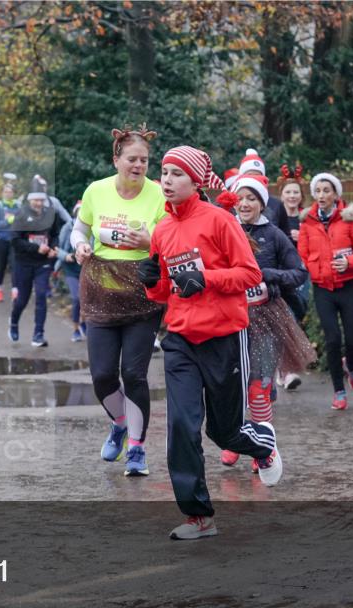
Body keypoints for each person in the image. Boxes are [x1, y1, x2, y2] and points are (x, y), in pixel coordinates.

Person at [138, 145, 282, 540]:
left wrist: (209, 279)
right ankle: (198, 516)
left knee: (225, 432)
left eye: (176, 174)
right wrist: (152, 281)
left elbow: (250, 275)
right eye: (164, 172)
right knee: (182, 426)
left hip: (224, 338)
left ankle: (263, 443)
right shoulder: (162, 229)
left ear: (196, 181)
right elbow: (165, 292)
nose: (166, 180)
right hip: (181, 339)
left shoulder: (220, 221)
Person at [71, 124, 167, 477]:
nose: (138, 165)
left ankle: (138, 449)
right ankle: (121, 422)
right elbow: (80, 228)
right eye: (132, 159)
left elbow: (171, 236)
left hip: (143, 294)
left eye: (144, 160)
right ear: (116, 160)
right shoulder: (96, 191)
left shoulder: (158, 194)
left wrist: (149, 239)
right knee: (102, 376)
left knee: (134, 374)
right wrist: (78, 244)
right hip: (101, 292)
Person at [217, 175, 313, 469]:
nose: (245, 204)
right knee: (233, 386)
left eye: (252, 198)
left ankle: (263, 448)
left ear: (262, 203)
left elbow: (299, 272)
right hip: (229, 319)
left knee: (259, 386)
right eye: (240, 198)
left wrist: (269, 277)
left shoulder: (274, 235)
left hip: (265, 318)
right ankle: (236, 439)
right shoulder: (223, 229)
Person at [297, 172, 353, 410]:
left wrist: (348, 262)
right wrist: (315, 268)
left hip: (348, 287)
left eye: (326, 190)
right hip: (323, 289)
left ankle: (351, 366)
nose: (321, 195)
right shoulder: (307, 221)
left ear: (336, 194)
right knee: (332, 339)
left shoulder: (351, 219)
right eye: (317, 191)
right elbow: (302, 255)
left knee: (352, 340)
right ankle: (339, 391)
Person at [9, 189, 61, 347]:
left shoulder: (51, 213)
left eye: (41, 200)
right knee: (22, 300)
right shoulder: (21, 214)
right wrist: (35, 248)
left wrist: (54, 247)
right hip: (24, 263)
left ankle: (38, 334)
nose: (38, 203)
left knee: (41, 296)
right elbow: (15, 241)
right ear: (29, 200)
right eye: (35, 200)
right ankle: (13, 322)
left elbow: (56, 234)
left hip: (42, 264)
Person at [276, 163, 310, 390]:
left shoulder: (308, 218)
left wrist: (305, 236)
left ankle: (283, 365)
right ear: (281, 196)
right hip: (283, 274)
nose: (291, 196)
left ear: (301, 196)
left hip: (303, 273)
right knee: (285, 318)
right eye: (287, 192)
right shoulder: (276, 218)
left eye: (295, 192)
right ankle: (285, 370)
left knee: (296, 315)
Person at [55, 201, 85, 342]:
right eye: (79, 212)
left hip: (85, 268)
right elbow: (57, 249)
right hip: (70, 268)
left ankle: (84, 322)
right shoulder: (67, 228)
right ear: (75, 213)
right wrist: (66, 256)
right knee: (76, 298)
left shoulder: (93, 227)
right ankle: (75, 329)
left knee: (86, 300)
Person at [237, 148, 286, 234]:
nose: (254, 180)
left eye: (257, 176)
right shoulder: (230, 206)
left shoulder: (276, 205)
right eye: (249, 175)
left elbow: (285, 234)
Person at [0, 183, 21, 302]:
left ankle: (15, 291)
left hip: (14, 240)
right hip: (0, 239)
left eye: (10, 192)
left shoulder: (18, 205)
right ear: (3, 193)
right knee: (2, 266)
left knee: (15, 265)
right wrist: (9, 220)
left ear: (13, 193)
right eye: (6, 192)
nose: (8, 194)